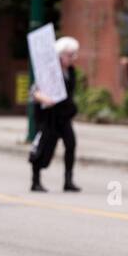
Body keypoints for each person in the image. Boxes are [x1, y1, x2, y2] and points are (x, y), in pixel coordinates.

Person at [30, 36, 81, 192]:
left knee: (71, 144)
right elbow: (34, 92)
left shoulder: (71, 72)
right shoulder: (49, 71)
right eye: (70, 54)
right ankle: (35, 181)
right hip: (49, 116)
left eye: (74, 54)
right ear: (60, 55)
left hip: (64, 116)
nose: (73, 58)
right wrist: (45, 98)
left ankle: (68, 180)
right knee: (44, 148)